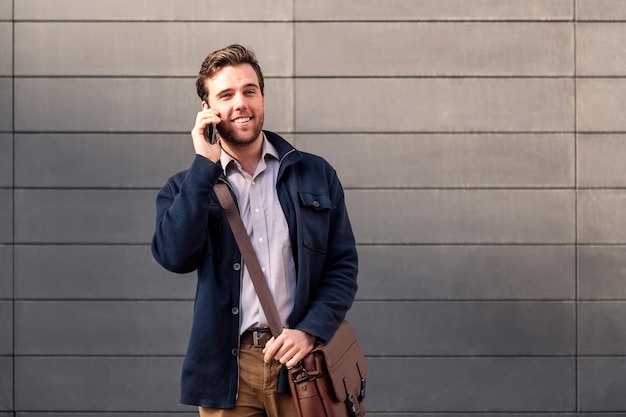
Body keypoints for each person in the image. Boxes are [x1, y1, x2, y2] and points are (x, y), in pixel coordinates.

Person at [151, 44, 359, 416]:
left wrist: (310, 330)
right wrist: (204, 165)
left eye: (249, 91)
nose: (241, 103)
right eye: (226, 95)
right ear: (207, 110)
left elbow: (342, 266)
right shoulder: (185, 187)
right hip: (227, 370)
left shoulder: (315, 174)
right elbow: (173, 256)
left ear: (262, 97)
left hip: (300, 363)